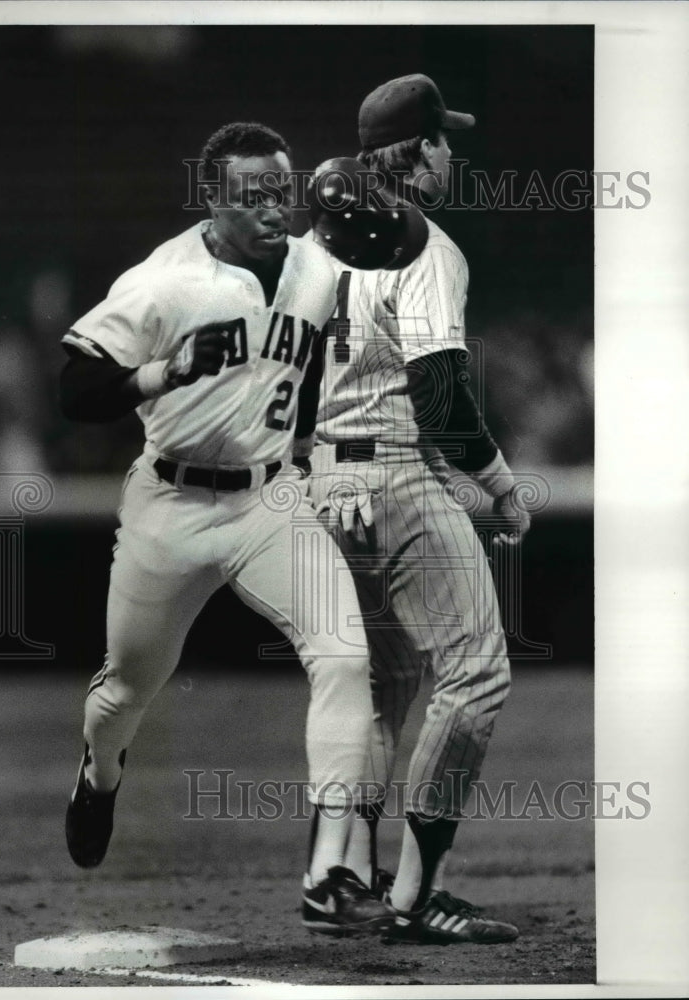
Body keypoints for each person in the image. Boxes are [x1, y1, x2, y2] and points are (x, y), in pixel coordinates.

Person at [58, 121, 392, 936]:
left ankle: (331, 872)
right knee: (125, 694)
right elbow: (75, 388)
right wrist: (160, 371)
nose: (272, 209)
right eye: (252, 196)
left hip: (271, 502)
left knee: (347, 658)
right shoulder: (166, 281)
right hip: (170, 507)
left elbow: (326, 346)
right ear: (214, 199)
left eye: (281, 191)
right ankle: (100, 777)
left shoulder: (317, 265)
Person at [307, 75, 531, 944]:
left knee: (386, 681)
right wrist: (503, 490)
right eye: (442, 139)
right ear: (418, 149)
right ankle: (415, 895)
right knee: (476, 674)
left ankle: (341, 879)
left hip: (324, 480)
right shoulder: (427, 249)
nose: (452, 152)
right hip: (396, 476)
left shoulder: (316, 245)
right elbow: (438, 396)